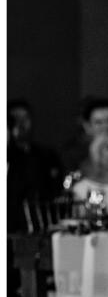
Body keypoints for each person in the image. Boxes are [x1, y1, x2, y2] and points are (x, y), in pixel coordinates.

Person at [7, 99, 63, 231]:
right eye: (15, 119)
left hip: (41, 222)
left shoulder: (46, 155)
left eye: (25, 118)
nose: (21, 124)